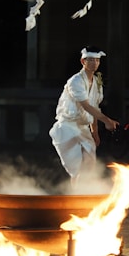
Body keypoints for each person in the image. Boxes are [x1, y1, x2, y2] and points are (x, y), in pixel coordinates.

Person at [49, 46, 119, 188]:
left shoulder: (97, 82)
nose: (95, 63)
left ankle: (83, 194)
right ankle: (76, 197)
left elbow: (94, 107)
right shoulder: (75, 81)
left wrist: (95, 132)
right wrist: (107, 121)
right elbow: (86, 106)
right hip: (67, 126)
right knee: (77, 168)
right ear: (83, 61)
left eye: (97, 60)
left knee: (90, 163)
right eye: (91, 60)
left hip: (82, 127)